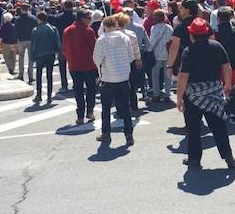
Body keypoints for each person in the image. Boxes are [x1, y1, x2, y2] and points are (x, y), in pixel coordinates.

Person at [176, 18, 235, 169]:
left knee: (193, 128)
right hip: (214, 91)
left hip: (192, 95)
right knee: (218, 126)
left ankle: (194, 159)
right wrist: (228, 85)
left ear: (191, 34)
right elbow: (227, 66)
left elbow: (183, 76)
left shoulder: (189, 51)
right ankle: (228, 156)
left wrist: (179, 97)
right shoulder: (217, 46)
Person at [92, 16, 135, 146]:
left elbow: (96, 59)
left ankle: (106, 134)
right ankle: (129, 135)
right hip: (123, 77)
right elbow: (131, 57)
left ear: (104, 26)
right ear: (116, 25)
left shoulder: (102, 40)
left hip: (108, 78)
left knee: (106, 108)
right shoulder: (125, 38)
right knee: (126, 107)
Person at [63, 10, 99, 124]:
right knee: (91, 89)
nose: (90, 20)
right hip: (88, 65)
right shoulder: (88, 31)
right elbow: (95, 47)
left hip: (74, 65)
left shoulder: (67, 30)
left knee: (78, 91)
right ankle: (90, 111)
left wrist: (70, 59)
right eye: (88, 18)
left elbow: (64, 49)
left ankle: (80, 116)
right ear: (82, 18)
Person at [30, 11, 62, 104]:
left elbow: (33, 44)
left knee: (39, 75)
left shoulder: (35, 30)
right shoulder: (53, 28)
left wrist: (32, 56)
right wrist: (59, 53)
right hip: (51, 54)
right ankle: (49, 96)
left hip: (40, 54)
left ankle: (39, 95)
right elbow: (58, 42)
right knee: (49, 75)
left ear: (39, 19)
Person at [145, 9, 174, 102]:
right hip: (168, 53)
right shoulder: (169, 28)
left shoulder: (154, 28)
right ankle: (167, 94)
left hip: (157, 54)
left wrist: (149, 50)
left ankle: (156, 94)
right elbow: (171, 39)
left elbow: (152, 41)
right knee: (168, 75)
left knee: (155, 74)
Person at [50, 0, 77, 92]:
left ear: (64, 6)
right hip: (75, 42)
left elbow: (56, 31)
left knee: (62, 65)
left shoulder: (58, 17)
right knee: (75, 64)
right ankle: (76, 83)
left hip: (62, 42)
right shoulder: (76, 16)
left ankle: (64, 85)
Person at [15, 5, 39, 84]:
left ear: (21, 9)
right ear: (28, 9)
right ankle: (30, 76)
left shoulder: (17, 19)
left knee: (21, 58)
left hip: (21, 40)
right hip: (31, 40)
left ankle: (21, 74)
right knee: (31, 59)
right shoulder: (33, 18)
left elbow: (16, 31)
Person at [0, 12, 18, 76]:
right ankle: (13, 68)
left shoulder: (2, 27)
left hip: (5, 43)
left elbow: (0, 37)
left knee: (7, 57)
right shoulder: (14, 26)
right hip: (14, 43)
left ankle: (10, 69)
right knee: (13, 57)